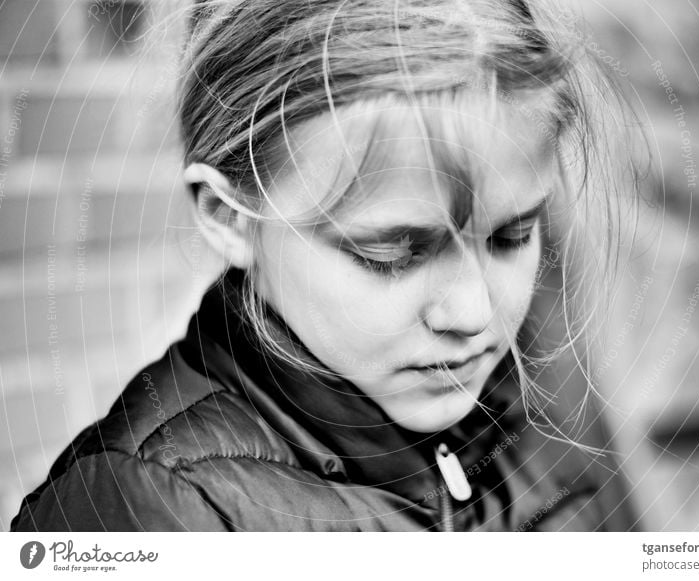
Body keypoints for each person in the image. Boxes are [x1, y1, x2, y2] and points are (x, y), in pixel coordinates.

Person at [11, 0, 641, 531]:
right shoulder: (149, 506)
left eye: (513, 235)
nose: (475, 315)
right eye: (392, 254)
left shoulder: (534, 391)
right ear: (232, 217)